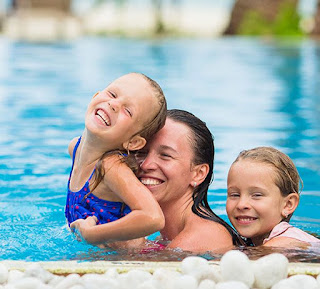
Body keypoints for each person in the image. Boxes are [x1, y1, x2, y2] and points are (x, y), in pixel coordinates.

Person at [65, 72, 167, 246]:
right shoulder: (75, 147)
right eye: (112, 94)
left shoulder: (110, 166)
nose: (113, 104)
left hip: (131, 259)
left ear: (133, 141)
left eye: (128, 111)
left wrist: (93, 234)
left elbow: (154, 218)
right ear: (95, 96)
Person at [135, 109, 243, 253]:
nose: (146, 165)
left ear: (198, 174)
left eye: (165, 155)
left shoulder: (204, 236)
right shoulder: (165, 237)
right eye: (142, 152)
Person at [226, 146, 320, 247]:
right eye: (235, 195)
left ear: (288, 204)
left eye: (257, 195)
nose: (241, 204)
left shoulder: (282, 244)